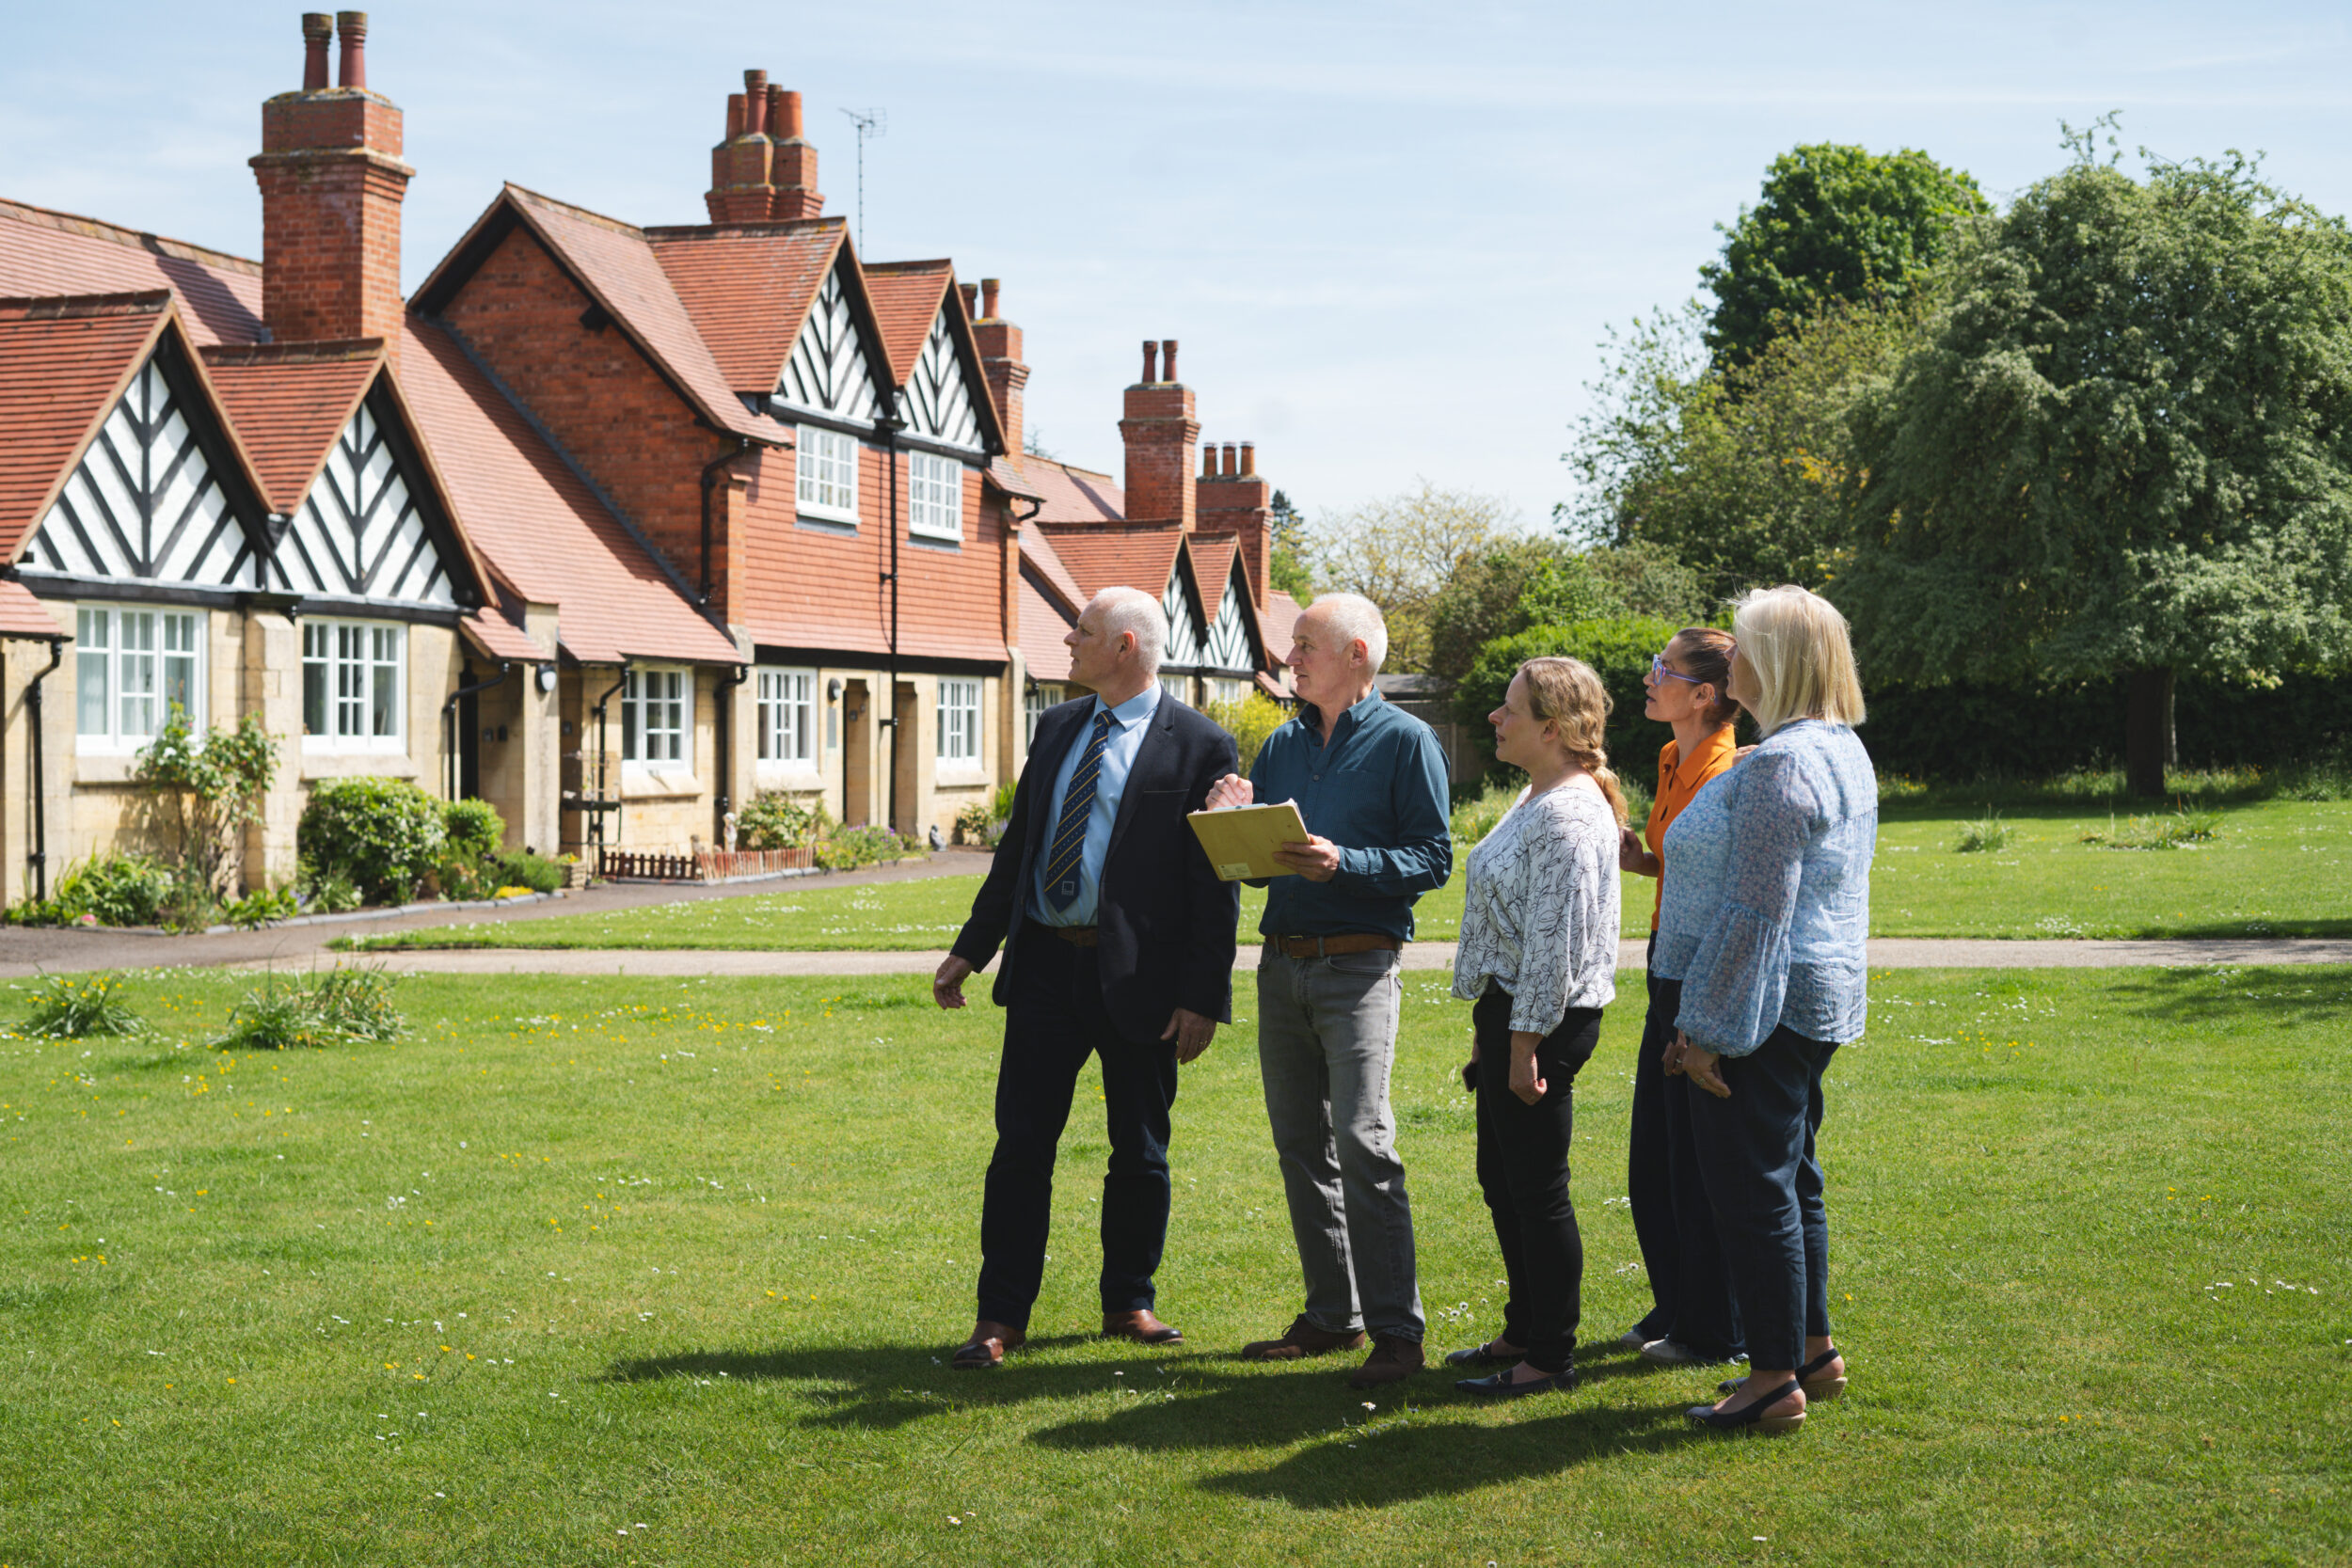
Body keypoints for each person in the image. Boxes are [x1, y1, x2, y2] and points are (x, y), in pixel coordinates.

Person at [933, 587, 1239, 1370]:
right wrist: (973, 946)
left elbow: (1216, 881)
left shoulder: (1202, 744)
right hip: (1043, 969)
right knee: (1020, 1147)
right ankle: (999, 1317)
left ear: (1127, 645)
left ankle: (1129, 1300)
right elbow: (1022, 848)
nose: (1068, 641)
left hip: (1141, 979)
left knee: (1139, 1149)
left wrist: (1203, 994)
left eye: (1084, 631)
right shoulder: (1058, 725)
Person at [1203, 593, 1452, 1388]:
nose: (1291, 656)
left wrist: (1349, 861)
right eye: (1292, 644)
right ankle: (1330, 1316)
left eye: (1306, 644)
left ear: (1358, 654)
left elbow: (1433, 859)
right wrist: (1226, 821)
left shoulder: (1409, 742)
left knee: (1362, 1139)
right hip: (1281, 966)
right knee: (1300, 1146)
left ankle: (1397, 1333)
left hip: (1358, 968)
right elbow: (1250, 866)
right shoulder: (1278, 745)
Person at [1655, 584, 1874, 1433]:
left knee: (1753, 1190)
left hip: (1764, 1006)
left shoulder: (1784, 764)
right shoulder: (1838, 748)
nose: (1730, 660)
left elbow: (1756, 913)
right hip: (1807, 997)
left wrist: (1706, 1030)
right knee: (1793, 1177)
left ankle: (1773, 1376)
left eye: (1742, 647)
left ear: (1776, 660)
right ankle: (1812, 1350)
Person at [1442, 658, 1626, 1398]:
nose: (1494, 716)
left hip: (1543, 1023)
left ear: (1552, 728)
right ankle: (1523, 1328)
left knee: (1538, 1190)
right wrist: (1493, 1034)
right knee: (1504, 1180)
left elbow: (1555, 943)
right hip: (1513, 1014)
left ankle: (1549, 1354)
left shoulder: (1568, 814)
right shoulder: (1537, 794)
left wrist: (1522, 1048)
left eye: (1509, 707)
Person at [1617, 628, 1746, 1368]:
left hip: (1698, 970)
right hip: (1664, 961)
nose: (1649, 674)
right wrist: (1642, 860)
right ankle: (1677, 1304)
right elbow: (1680, 858)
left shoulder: (1728, 769)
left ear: (1704, 694)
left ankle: (1714, 1324)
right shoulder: (1672, 756)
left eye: (1662, 667)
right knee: (1655, 1156)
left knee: (1695, 1158)